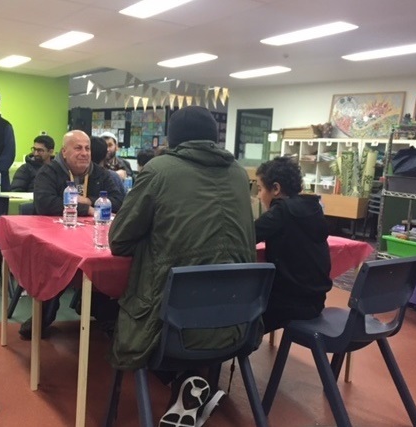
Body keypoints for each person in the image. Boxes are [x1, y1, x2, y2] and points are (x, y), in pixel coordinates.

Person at [108, 106, 256, 426]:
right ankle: (188, 380)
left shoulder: (159, 170)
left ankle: (180, 378)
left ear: (172, 140)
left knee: (107, 310)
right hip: (237, 326)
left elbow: (118, 241)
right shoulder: (239, 174)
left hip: (172, 331)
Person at [19, 130, 124, 339]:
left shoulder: (100, 174)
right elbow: (45, 204)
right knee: (50, 261)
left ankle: (103, 312)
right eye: (78, 148)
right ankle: (45, 315)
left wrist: (87, 200)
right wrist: (86, 208)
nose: (84, 153)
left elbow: (117, 201)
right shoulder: (49, 172)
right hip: (55, 237)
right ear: (64, 152)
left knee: (108, 262)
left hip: (93, 238)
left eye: (87, 148)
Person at [254, 157, 332, 332]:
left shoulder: (282, 212)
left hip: (289, 305)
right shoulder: (313, 207)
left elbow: (248, 235)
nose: (259, 196)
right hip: (316, 301)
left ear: (276, 188)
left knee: (237, 315)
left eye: (259, 189)